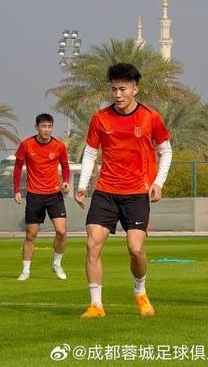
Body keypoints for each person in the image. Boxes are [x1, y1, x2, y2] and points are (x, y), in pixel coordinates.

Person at [75, 63, 173, 318]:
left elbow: (165, 151)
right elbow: (90, 153)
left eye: (123, 89)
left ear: (135, 90)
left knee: (135, 249)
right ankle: (96, 305)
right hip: (106, 191)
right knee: (92, 244)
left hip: (137, 193)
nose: (117, 95)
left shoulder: (150, 117)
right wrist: (82, 185)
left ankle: (140, 290)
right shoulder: (100, 118)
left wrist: (158, 182)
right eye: (114, 89)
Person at [13, 113, 70, 281]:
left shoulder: (59, 146)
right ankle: (25, 270)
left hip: (54, 195)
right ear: (36, 127)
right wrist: (16, 190)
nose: (47, 129)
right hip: (34, 195)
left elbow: (65, 166)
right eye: (43, 126)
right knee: (31, 235)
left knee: (61, 231)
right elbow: (17, 168)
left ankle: (57, 264)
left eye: (49, 126)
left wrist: (66, 181)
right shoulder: (26, 145)